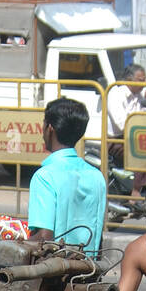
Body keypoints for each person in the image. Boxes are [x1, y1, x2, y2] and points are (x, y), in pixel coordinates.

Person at [28, 97, 108, 255]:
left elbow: (44, 237)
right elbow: (97, 237)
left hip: (54, 270)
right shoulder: (97, 176)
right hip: (87, 270)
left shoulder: (45, 177)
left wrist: (8, 240)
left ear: (49, 128)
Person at [107, 63, 146, 200]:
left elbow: (143, 115)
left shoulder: (137, 96)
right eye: (141, 80)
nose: (145, 83)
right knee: (141, 152)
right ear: (129, 79)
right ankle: (135, 193)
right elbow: (121, 124)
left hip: (133, 137)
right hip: (116, 140)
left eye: (145, 79)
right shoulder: (116, 94)